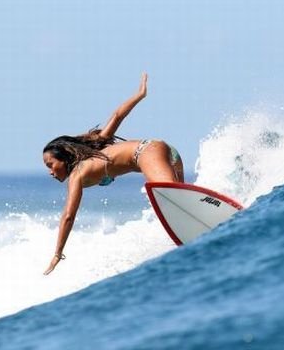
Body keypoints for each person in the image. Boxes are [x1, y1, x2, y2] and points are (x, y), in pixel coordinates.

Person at [42, 73, 184, 275]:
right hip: (167, 154)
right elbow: (117, 116)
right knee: (181, 210)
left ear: (64, 158)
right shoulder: (97, 149)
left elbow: (68, 216)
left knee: (175, 199)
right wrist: (139, 95)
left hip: (147, 154)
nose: (50, 171)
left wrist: (58, 253)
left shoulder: (77, 175)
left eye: (50, 164)